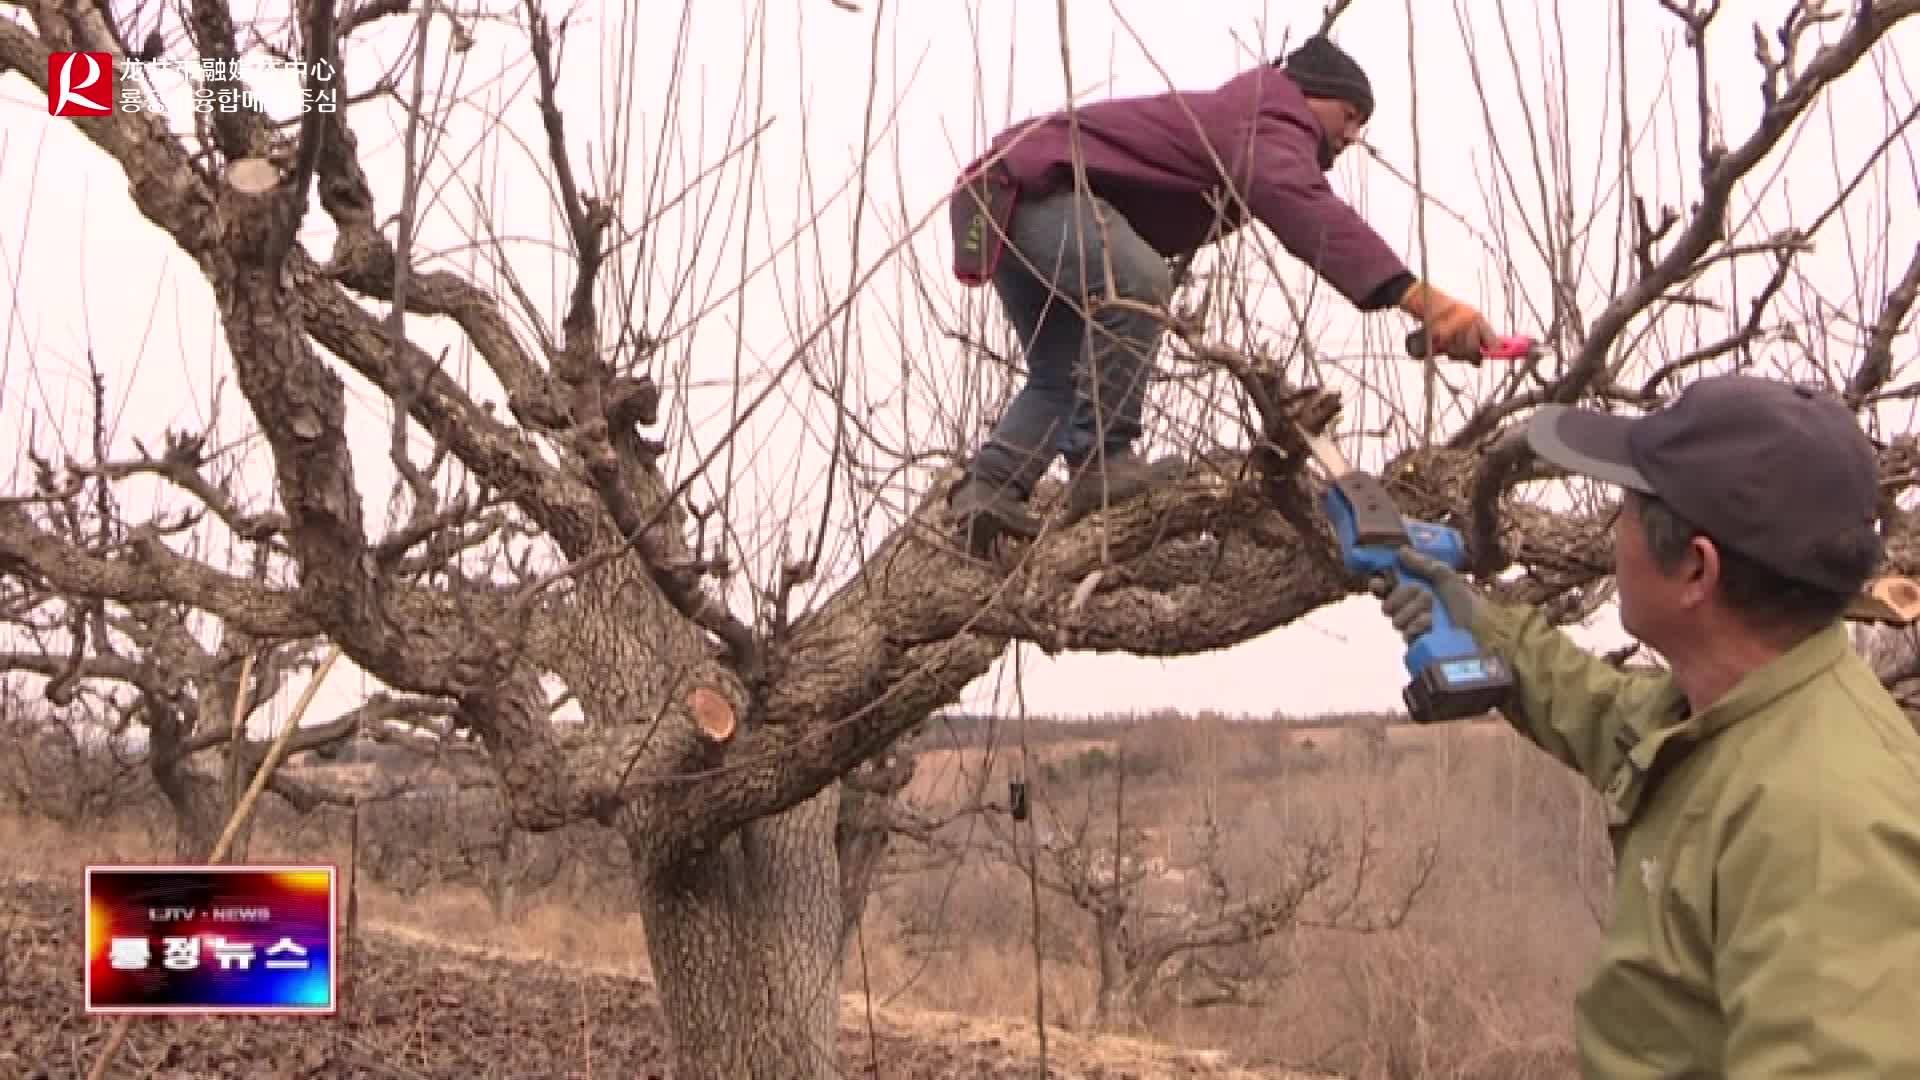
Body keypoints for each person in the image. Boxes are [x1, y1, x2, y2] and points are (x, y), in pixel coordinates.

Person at [1374, 374, 1920, 1076]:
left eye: (1628, 508)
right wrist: (1481, 625)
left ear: (1696, 568)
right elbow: (1603, 712)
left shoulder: (1823, 822)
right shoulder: (1726, 709)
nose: (1615, 530)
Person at [944, 34, 1502, 553]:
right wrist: (1423, 299)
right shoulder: (1269, 116)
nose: (1353, 136)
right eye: (1349, 115)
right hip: (1033, 189)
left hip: (999, 199)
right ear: (1311, 95)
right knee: (1137, 286)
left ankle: (987, 491)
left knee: (1065, 371)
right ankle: (1103, 463)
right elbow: (1303, 205)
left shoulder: (1245, 118)